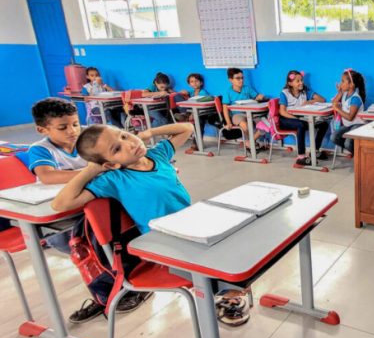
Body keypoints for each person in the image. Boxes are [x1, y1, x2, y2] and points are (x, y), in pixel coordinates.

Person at [52, 123, 251, 326]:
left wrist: (149, 133)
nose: (129, 144)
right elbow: (60, 204)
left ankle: (227, 287)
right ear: (110, 164)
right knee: (223, 255)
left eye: (124, 136)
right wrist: (92, 169)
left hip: (191, 226)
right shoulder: (114, 178)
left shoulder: (158, 155)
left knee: (239, 234)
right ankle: (225, 295)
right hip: (162, 241)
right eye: (117, 149)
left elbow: (187, 128)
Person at [28, 98, 149, 323]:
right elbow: (47, 176)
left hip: (96, 204)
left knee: (114, 243)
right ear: (42, 129)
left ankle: (124, 285)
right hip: (68, 212)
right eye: (63, 127)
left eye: (75, 123)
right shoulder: (40, 149)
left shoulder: (86, 138)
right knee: (90, 252)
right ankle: (107, 294)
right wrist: (94, 172)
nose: (73, 131)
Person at [278, 70, 328, 166]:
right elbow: (283, 112)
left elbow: (322, 99)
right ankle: (301, 156)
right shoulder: (285, 93)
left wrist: (310, 101)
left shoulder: (305, 92)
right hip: (286, 119)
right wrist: (296, 119)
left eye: (301, 80)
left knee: (324, 124)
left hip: (301, 118)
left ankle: (314, 150)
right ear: (290, 83)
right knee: (300, 125)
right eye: (298, 81)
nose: (301, 83)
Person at [221, 68, 266, 154]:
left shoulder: (247, 88)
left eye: (242, 78)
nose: (241, 80)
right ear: (230, 80)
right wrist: (228, 122)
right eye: (238, 78)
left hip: (252, 113)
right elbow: (225, 108)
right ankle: (252, 142)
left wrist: (259, 97)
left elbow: (255, 97)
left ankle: (250, 142)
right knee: (244, 125)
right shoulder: (227, 91)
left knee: (265, 124)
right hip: (237, 114)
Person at [330, 68, 366, 155]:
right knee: (333, 137)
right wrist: (339, 93)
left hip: (358, 125)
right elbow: (334, 103)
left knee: (348, 143)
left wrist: (338, 109)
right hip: (348, 125)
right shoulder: (344, 94)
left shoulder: (355, 98)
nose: (340, 84)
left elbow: (350, 117)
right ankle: (354, 151)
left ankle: (360, 156)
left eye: (342, 81)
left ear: (351, 84)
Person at [184, 73, 210, 151]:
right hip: (193, 112)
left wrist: (193, 113)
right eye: (192, 81)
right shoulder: (191, 93)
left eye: (196, 81)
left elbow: (200, 106)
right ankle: (184, 114)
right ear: (189, 84)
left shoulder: (203, 93)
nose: (194, 83)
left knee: (199, 122)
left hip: (203, 113)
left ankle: (195, 143)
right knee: (177, 96)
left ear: (201, 82)